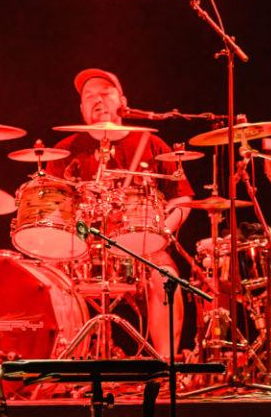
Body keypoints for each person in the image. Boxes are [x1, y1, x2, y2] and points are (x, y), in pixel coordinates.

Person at [53, 69, 194, 358]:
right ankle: (60, 366)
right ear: (81, 109)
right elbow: (53, 205)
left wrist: (163, 232)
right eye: (89, 96)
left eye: (106, 93)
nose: (97, 100)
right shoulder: (64, 150)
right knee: (47, 280)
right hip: (79, 249)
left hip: (140, 245)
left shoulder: (151, 144)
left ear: (123, 102)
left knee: (166, 278)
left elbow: (182, 199)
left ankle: (166, 367)